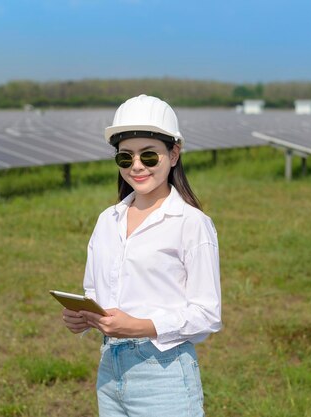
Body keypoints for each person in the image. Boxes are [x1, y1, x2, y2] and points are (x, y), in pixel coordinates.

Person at [62, 94, 222, 417]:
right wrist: (84, 318)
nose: (137, 166)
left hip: (163, 375)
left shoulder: (191, 224)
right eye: (126, 158)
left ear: (174, 154)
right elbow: (94, 291)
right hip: (110, 371)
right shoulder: (108, 220)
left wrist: (139, 326)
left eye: (149, 156)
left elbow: (208, 314)